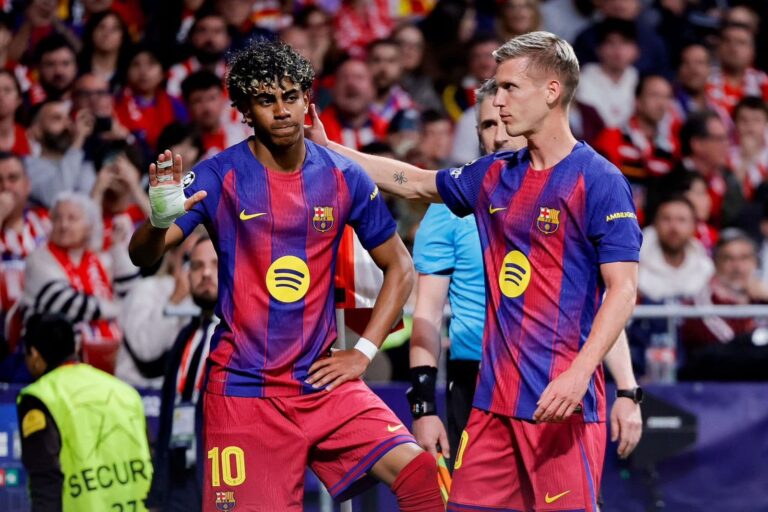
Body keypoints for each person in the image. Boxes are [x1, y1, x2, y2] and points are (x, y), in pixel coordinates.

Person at [307, 31, 642, 511]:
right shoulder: (494, 173)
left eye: (510, 88)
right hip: (491, 405)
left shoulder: (601, 181)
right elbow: (415, 182)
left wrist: (579, 375)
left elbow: (622, 291)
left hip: (559, 404)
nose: (498, 102)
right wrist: (330, 149)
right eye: (497, 88)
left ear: (552, 91)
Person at [128, 39, 443, 511]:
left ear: (306, 100)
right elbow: (142, 256)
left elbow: (400, 267)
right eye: (265, 100)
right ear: (245, 111)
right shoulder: (218, 176)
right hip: (244, 393)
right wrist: (156, 222)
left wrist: (362, 352)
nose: (281, 110)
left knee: (419, 473)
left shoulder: (344, 175)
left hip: (322, 383)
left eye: (290, 96)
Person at [410, 79, 642, 472]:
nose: (499, 135)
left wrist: (627, 389)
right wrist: (424, 405)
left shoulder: (571, 191)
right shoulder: (448, 208)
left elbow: (597, 305)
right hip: (476, 380)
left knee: (567, 496)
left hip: (556, 375)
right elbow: (427, 314)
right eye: (487, 125)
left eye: (504, 122)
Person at [17, 313, 153, 512]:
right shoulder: (125, 392)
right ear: (76, 347)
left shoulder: (40, 397)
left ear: (35, 354)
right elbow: (153, 461)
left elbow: (45, 478)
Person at [22, 193, 140, 374]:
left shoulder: (97, 259)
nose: (63, 225)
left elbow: (132, 291)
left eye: (72, 218)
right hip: (54, 361)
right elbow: (70, 304)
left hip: (109, 358)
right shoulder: (38, 259)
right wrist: (119, 309)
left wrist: (116, 247)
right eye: (57, 218)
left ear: (89, 226)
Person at [146, 235, 218, 511]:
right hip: (179, 478)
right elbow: (167, 416)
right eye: (197, 266)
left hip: (222, 481)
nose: (206, 273)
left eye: (215, 264)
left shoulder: (245, 336)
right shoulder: (185, 336)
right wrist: (157, 494)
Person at [25, 100, 96, 209]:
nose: (67, 124)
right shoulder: (27, 166)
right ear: (36, 131)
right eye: (57, 118)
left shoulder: (84, 166)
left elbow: (92, 209)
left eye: (68, 119)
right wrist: (78, 140)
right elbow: (56, 197)